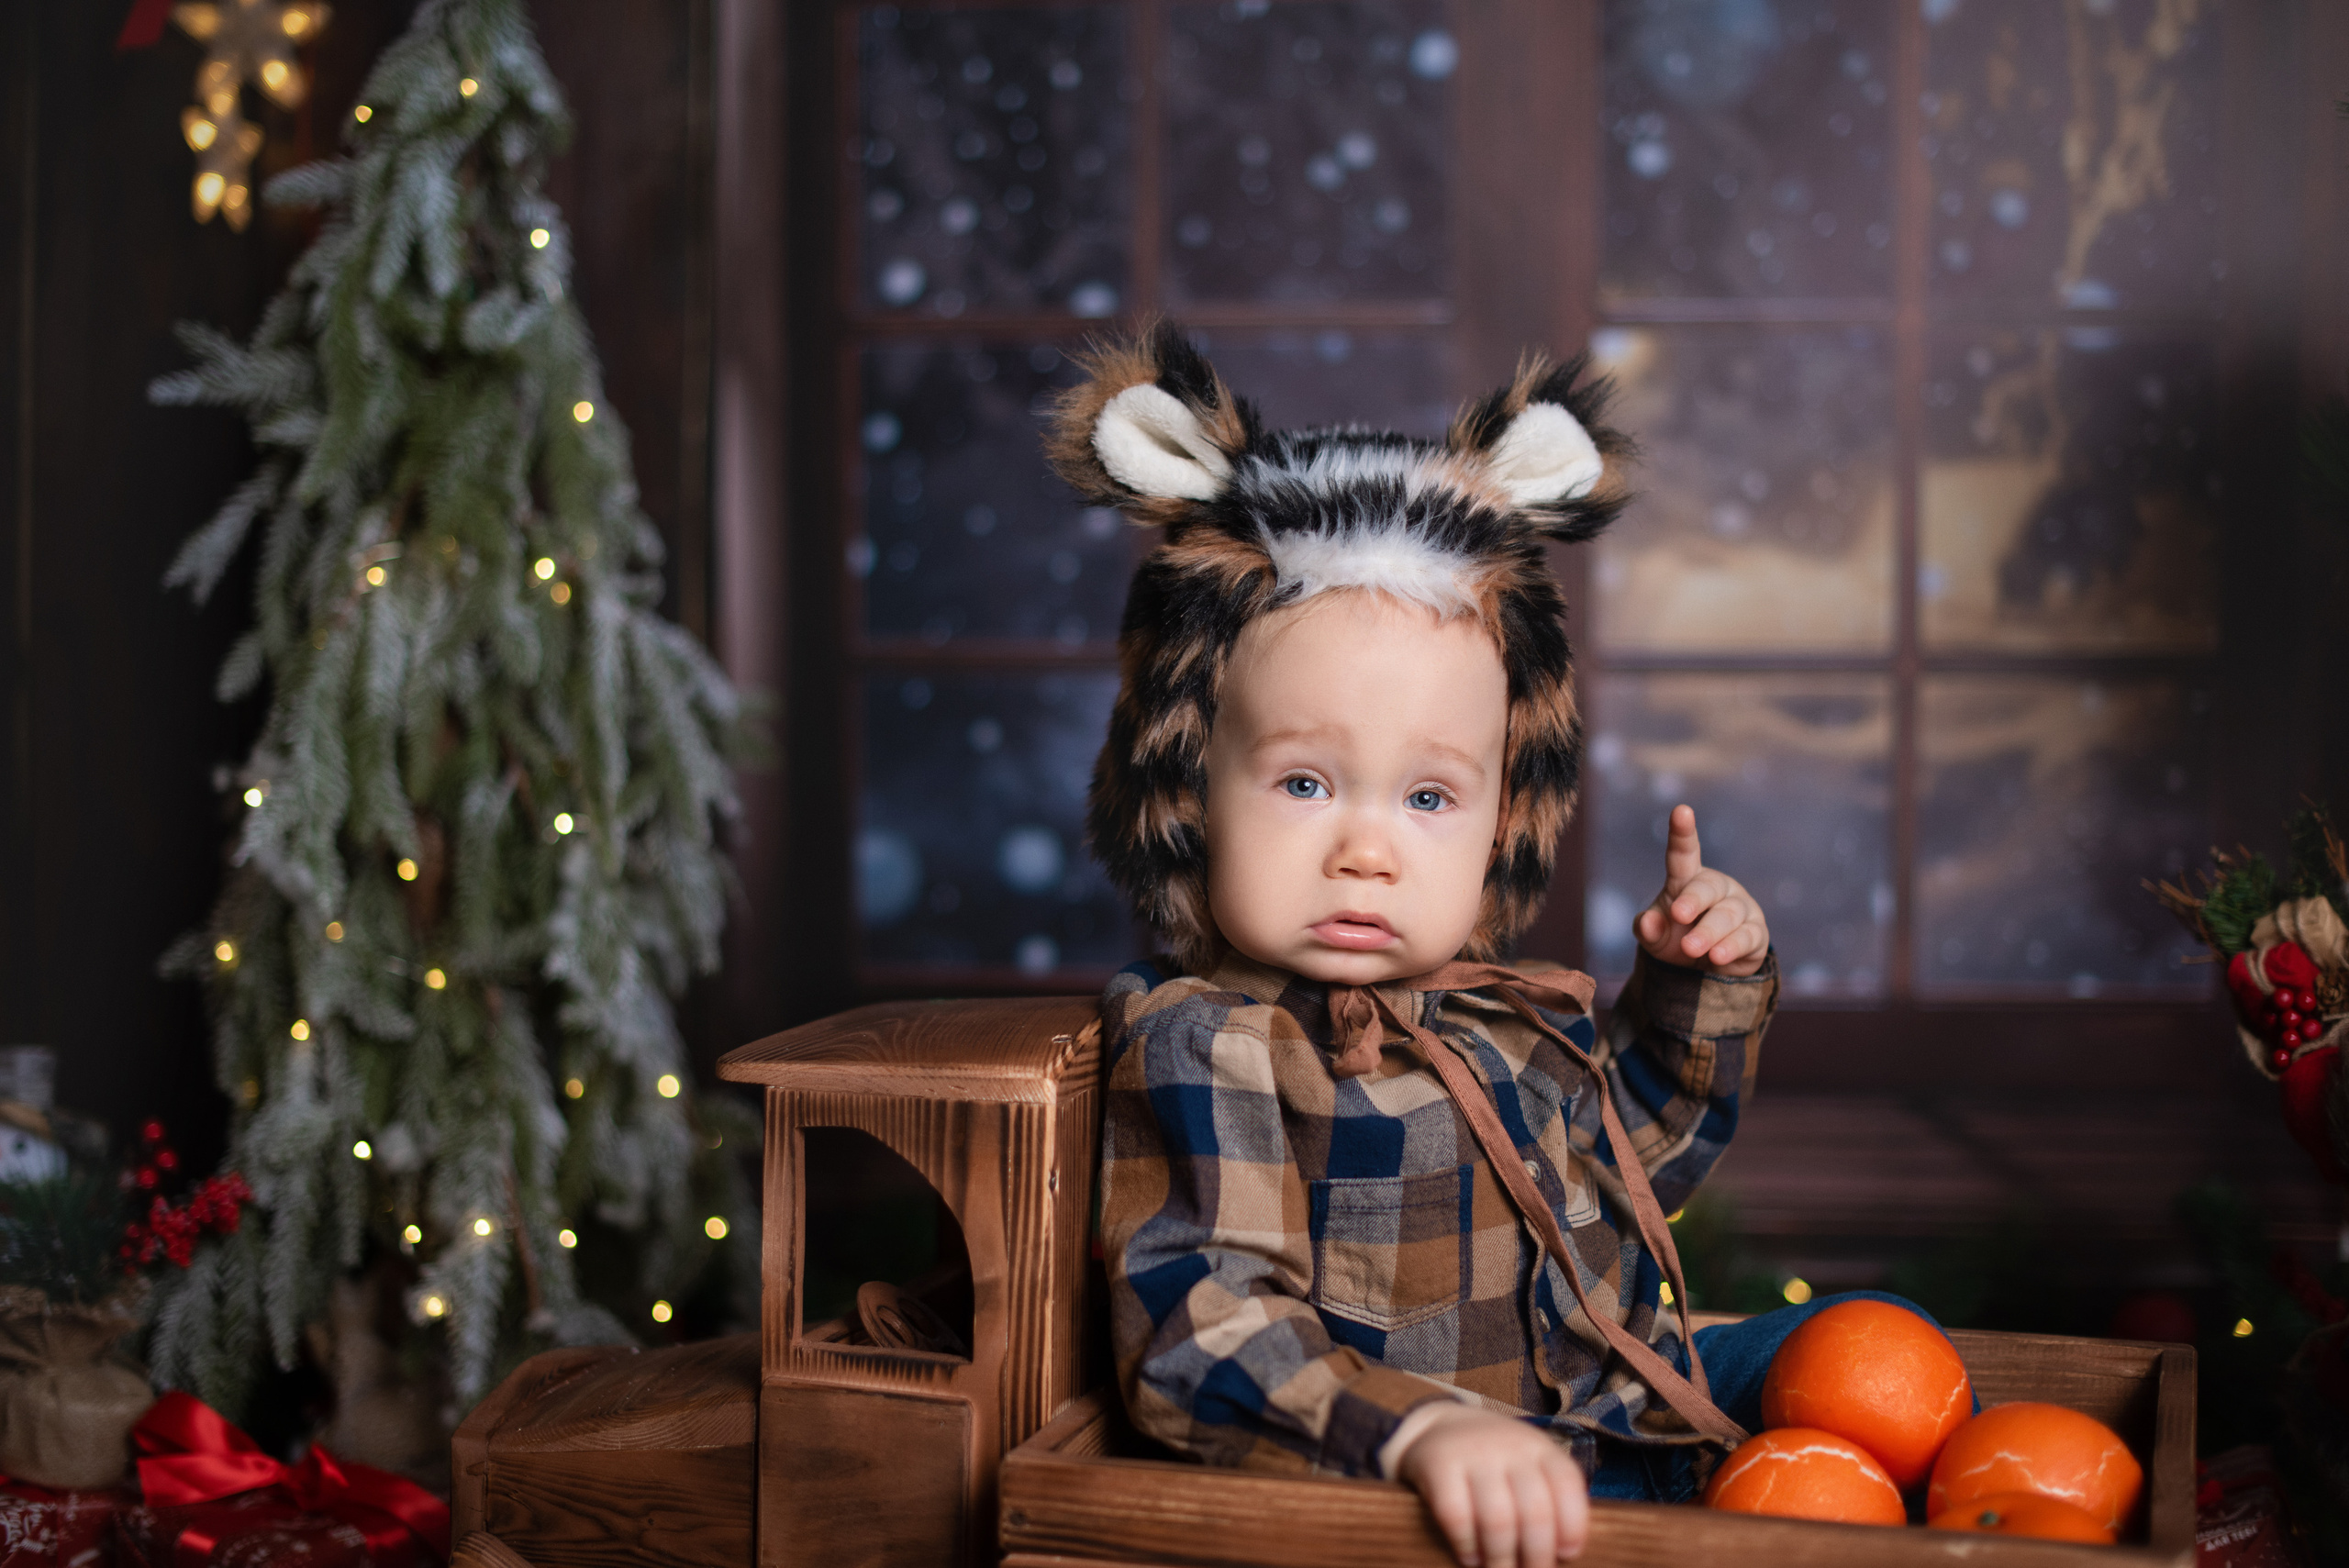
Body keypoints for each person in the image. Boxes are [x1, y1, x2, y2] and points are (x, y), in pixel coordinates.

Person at [1051, 325, 1920, 1567]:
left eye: (1427, 798)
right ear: (1189, 788)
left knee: (1874, 1346)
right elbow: (1202, 1324)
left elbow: (1634, 1171)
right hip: (1479, 1492)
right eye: (1304, 781)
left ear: (1506, 815)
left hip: (1616, 1411)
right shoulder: (1217, 1043)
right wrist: (1416, 1437)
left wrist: (1695, 985)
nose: (1368, 849)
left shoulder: (1503, 1014)